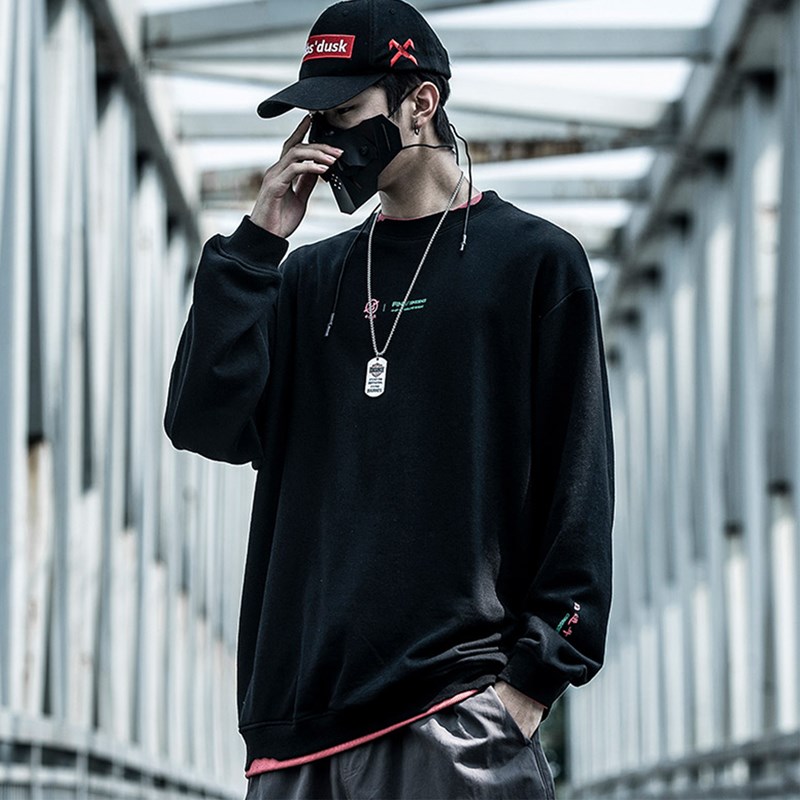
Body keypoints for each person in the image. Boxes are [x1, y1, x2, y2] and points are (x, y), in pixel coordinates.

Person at [164, 0, 614, 796]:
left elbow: (577, 490)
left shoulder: (535, 264)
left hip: (457, 717)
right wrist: (259, 242)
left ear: (420, 103)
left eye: (343, 115)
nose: (325, 142)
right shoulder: (305, 280)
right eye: (313, 123)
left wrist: (529, 688)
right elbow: (203, 421)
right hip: (297, 731)